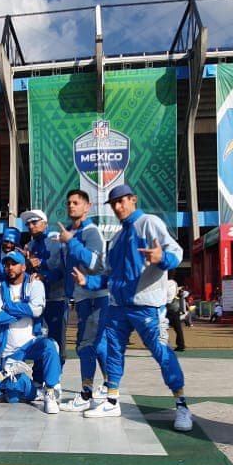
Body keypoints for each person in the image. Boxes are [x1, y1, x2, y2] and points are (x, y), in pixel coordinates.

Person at [60, 184, 192, 431]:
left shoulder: (149, 223)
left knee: (162, 354)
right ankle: (112, 400)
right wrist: (87, 281)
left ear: (134, 199)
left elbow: (175, 251)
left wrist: (161, 258)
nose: (118, 207)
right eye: (114, 204)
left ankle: (182, 405)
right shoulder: (118, 238)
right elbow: (109, 278)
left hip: (147, 307)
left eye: (122, 201)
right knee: (112, 354)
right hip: (117, 307)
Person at [0, 250, 64, 414]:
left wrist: (7, 307)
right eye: (7, 264)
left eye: (14, 264)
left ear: (23, 267)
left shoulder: (34, 284)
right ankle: (34, 391)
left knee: (50, 346)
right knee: (12, 396)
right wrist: (23, 311)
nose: (10, 268)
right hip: (9, 350)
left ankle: (50, 391)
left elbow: (36, 310)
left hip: (32, 343)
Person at [54, 189, 110, 408]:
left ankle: (89, 394)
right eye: (68, 202)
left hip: (98, 294)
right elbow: (66, 266)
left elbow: (97, 264)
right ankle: (107, 386)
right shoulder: (67, 232)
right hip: (81, 297)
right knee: (94, 344)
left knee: (89, 345)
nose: (71, 206)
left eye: (76, 202)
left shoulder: (91, 231)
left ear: (87, 207)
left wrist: (71, 242)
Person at [21, 209, 71, 361]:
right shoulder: (29, 245)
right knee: (38, 339)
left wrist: (42, 269)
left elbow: (63, 270)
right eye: (28, 224)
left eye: (35, 222)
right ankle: (39, 378)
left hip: (56, 298)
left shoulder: (56, 239)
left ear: (45, 223)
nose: (31, 226)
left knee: (57, 340)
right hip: (36, 302)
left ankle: (55, 380)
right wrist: (26, 265)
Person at [165, 278, 187, 351]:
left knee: (162, 327)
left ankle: (165, 344)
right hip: (175, 307)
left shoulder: (164, 282)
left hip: (165, 307)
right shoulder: (174, 282)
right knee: (178, 328)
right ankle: (181, 344)